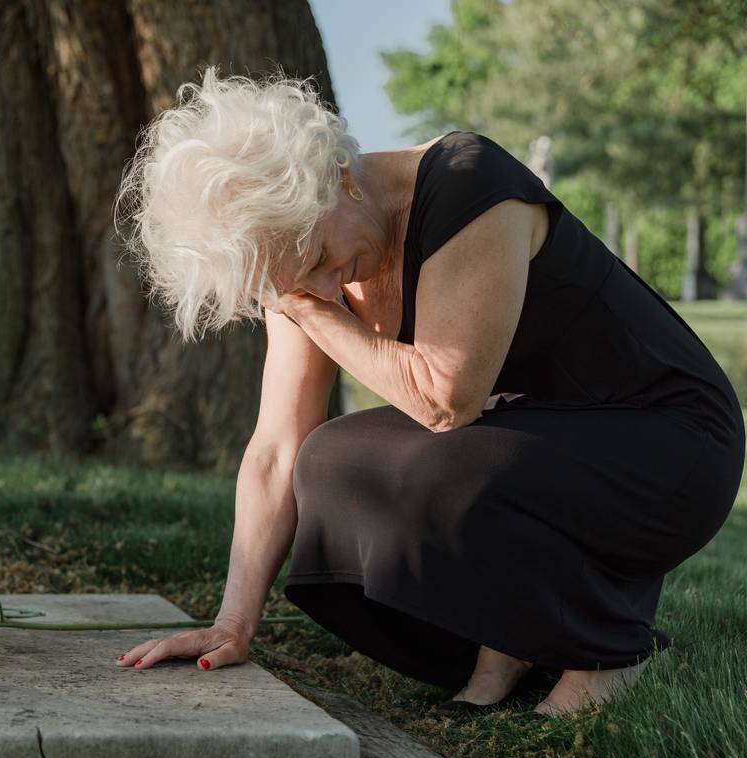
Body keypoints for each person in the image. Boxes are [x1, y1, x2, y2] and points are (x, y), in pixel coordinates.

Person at [110, 65, 744, 717]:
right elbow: (276, 447)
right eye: (294, 283)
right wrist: (232, 623)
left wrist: (311, 311)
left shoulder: (468, 183)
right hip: (532, 449)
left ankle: (608, 650)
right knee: (332, 460)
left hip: (672, 443)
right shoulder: (298, 264)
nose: (322, 290)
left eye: (317, 262)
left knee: (427, 469)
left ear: (340, 177)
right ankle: (518, 636)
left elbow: (445, 400)